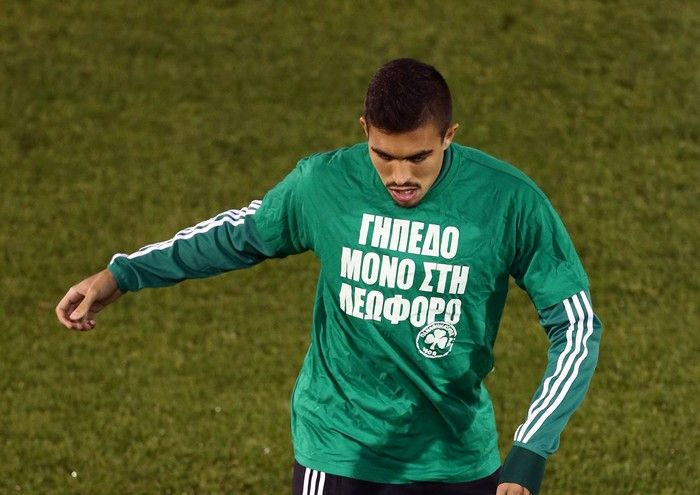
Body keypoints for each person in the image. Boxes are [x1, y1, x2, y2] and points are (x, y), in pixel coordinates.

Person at [56, 58, 602, 495]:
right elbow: (237, 235)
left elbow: (575, 326)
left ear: (449, 136)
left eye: (419, 157)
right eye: (383, 156)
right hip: (336, 450)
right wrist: (123, 274)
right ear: (365, 131)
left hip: (454, 459)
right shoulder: (324, 183)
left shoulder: (508, 201)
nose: (400, 176)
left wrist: (531, 448)